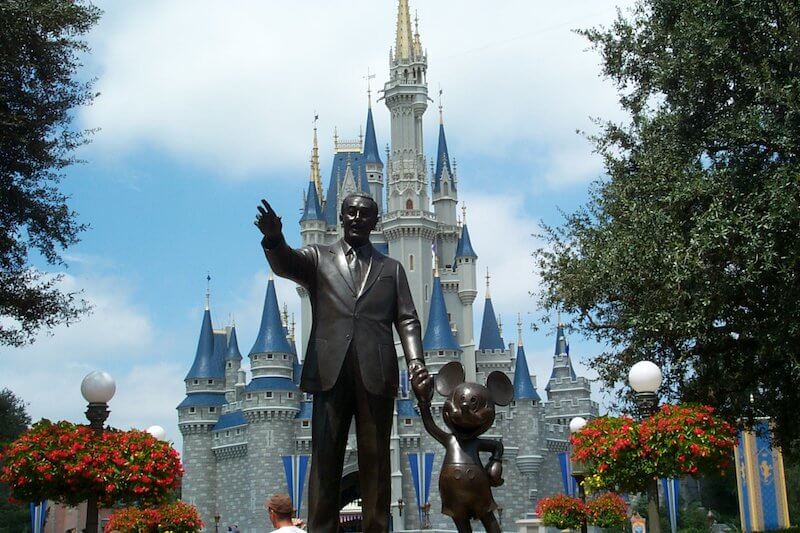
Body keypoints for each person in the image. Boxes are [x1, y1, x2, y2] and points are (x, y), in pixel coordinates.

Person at [255, 194, 432, 532]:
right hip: (329, 371)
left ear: (375, 221)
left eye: (365, 213)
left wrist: (417, 362)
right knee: (325, 458)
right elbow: (286, 263)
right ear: (340, 216)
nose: (356, 218)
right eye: (350, 212)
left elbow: (407, 319)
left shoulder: (391, 269)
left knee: (377, 461)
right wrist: (274, 238)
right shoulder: (319, 258)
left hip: (376, 374)